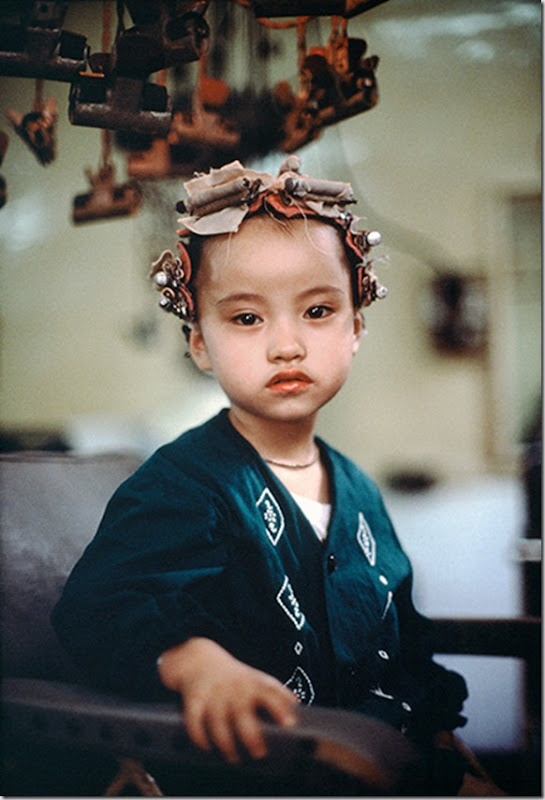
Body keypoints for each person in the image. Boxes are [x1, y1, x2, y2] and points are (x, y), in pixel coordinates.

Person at [52, 156, 486, 795]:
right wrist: (194, 663)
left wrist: (442, 735)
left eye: (316, 311)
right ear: (199, 341)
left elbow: (406, 639)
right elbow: (99, 608)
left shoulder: (360, 492)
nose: (287, 345)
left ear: (356, 328)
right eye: (247, 318)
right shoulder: (184, 485)